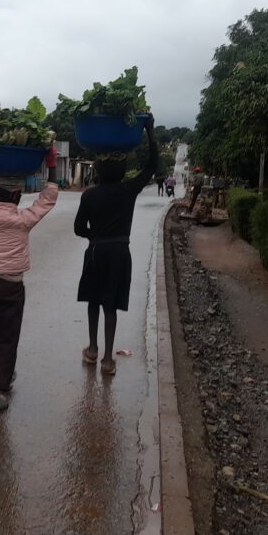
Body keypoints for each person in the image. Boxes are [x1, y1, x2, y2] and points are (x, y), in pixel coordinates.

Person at [0, 139, 59, 413]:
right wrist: (51, 163)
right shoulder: (24, 220)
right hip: (12, 287)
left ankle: (2, 376)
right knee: (7, 337)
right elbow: (49, 197)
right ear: (17, 196)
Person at [73, 115, 157, 375]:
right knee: (110, 305)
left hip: (96, 251)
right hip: (120, 253)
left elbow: (78, 229)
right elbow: (152, 165)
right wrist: (149, 130)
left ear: (97, 170)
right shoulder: (128, 190)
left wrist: (94, 236)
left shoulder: (89, 196)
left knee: (94, 301)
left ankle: (92, 350)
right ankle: (108, 360)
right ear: (122, 171)